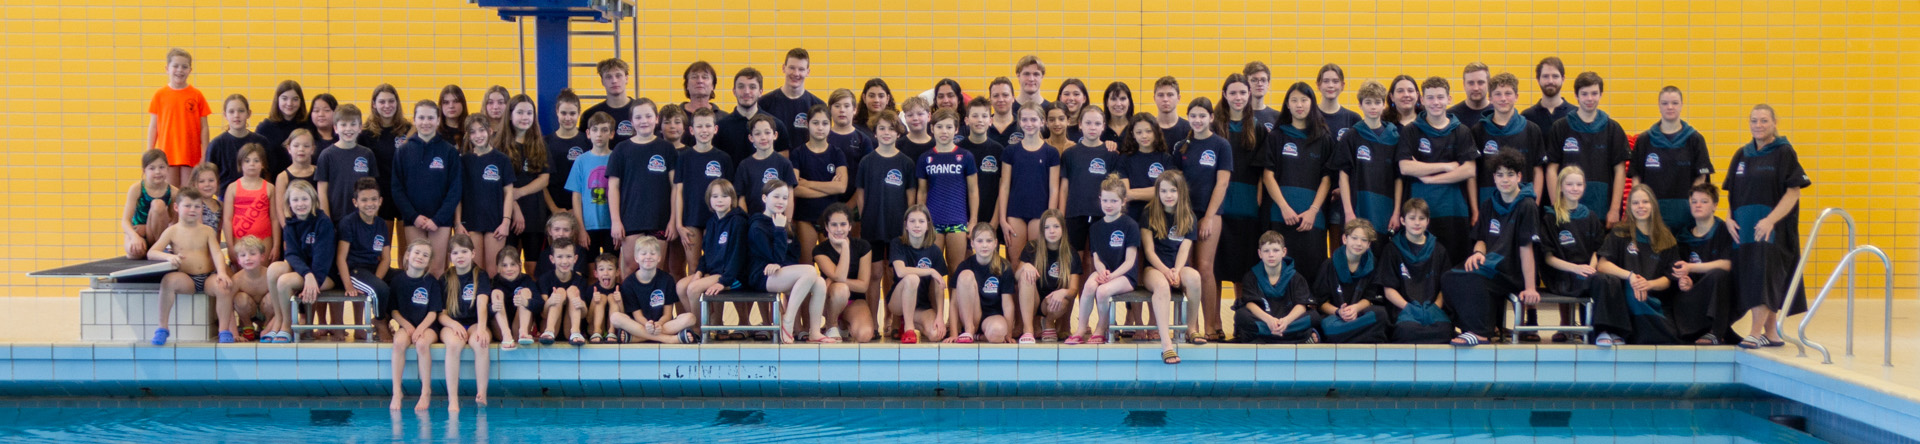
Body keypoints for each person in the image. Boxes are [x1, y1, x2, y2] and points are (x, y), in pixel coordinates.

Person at [1726, 104, 1809, 349]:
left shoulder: (1784, 152)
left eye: (1764, 121)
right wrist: (1729, 219)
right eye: (1754, 121)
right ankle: (1771, 333)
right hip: (1744, 230)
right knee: (1755, 277)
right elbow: (1732, 192)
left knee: (1762, 279)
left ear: (1774, 123)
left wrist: (1771, 219)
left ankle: (1753, 333)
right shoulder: (1742, 154)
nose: (1758, 125)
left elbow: (1793, 192)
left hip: (1771, 231)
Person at [1438, 148, 1540, 346]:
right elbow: (1481, 238)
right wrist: (1478, 253)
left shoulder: (1527, 205)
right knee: (1449, 278)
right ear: (1494, 177)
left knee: (1474, 279)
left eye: (1510, 175)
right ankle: (1477, 326)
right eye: (1500, 175)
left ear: (1519, 176)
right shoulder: (1488, 204)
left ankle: (1480, 332)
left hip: (1514, 272)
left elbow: (1526, 248)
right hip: (1492, 267)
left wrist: (1530, 287)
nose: (1505, 180)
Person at [1397, 77, 1479, 268]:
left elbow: (1469, 170)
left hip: (1454, 210)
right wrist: (1446, 166)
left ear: (1449, 99)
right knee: (1423, 265)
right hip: (1420, 212)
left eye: (1440, 97)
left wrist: (1428, 179)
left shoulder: (1461, 131)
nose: (1436, 102)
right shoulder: (1411, 131)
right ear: (1422, 100)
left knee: (1455, 265)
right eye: (1430, 97)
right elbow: (1405, 167)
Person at [1586, 185, 1683, 346]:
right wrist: (1631, 277)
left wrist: (1648, 284)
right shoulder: (1620, 233)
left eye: (1645, 202)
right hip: (1624, 296)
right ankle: (1622, 331)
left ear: (1653, 205)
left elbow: (1668, 278)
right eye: (1636, 203)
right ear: (1630, 207)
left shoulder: (1667, 238)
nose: (1641, 207)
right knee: (1630, 290)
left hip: (1653, 297)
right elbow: (1602, 265)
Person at [1258, 82, 1335, 281]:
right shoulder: (1276, 136)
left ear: (1312, 104)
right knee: (1279, 270)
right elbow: (1268, 175)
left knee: (1311, 269)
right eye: (1294, 100)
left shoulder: (1324, 138)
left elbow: (1327, 178)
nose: (1299, 105)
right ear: (1287, 105)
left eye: (1304, 100)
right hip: (1280, 215)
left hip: (1312, 218)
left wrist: (1313, 211)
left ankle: (1311, 311)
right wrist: (1283, 207)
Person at [1173, 98, 1232, 343]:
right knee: (1187, 269)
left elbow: (1222, 182)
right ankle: (1191, 326)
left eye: (1202, 116)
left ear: (1211, 117)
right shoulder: (1181, 147)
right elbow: (1173, 184)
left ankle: (1210, 325)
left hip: (1210, 214)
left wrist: (1208, 216)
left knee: (1205, 268)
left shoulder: (1220, 145)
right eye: (1193, 116)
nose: (1197, 121)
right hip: (1184, 215)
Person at [745, 180, 831, 343]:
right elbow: (773, 257)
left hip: (779, 272)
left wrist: (780, 263)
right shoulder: (757, 226)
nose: (780, 201)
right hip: (762, 276)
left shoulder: (785, 224)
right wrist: (778, 231)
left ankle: (814, 332)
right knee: (810, 270)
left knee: (819, 282)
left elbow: (792, 254)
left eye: (784, 198)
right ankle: (788, 320)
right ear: (764, 198)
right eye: (776, 196)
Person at [145, 189, 231, 345]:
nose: (193, 210)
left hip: (207, 278)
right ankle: (162, 327)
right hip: (187, 279)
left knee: (223, 286)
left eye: (197, 206)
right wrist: (169, 256)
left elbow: (217, 253)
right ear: (177, 208)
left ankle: (224, 330)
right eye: (188, 206)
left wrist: (221, 273)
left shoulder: (207, 231)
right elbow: (152, 252)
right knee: (168, 281)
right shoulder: (172, 231)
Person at [851, 110, 917, 311]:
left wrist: (907, 224)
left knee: (895, 272)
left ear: (898, 133)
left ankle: (893, 320)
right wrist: (865, 219)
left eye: (891, 128)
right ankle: (873, 321)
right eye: (882, 128)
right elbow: (860, 194)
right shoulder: (867, 162)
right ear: (875, 132)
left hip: (897, 226)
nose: (886, 132)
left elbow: (911, 197)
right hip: (873, 226)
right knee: (875, 273)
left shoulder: (906, 162)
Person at [1545, 72, 1630, 226]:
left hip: (1603, 210)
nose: (1589, 99)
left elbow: (1620, 171)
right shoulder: (1561, 127)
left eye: (1594, 93)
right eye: (1584, 94)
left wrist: (1615, 209)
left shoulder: (1613, 129)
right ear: (1576, 95)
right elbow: (1551, 170)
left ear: (1601, 94)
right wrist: (1556, 206)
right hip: (1568, 210)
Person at [1067, 174, 1141, 345]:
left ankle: (1101, 328)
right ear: (1100, 199)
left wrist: (1111, 276)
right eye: (1105, 200)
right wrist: (1101, 271)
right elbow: (1096, 257)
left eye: (1114, 201)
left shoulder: (1130, 225)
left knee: (1102, 291)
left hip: (1125, 276)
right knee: (1089, 285)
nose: (1108, 205)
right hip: (1105, 272)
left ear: (1123, 202)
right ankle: (1081, 328)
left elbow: (1130, 262)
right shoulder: (1095, 227)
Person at [1632, 86, 1714, 235]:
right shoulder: (1645, 140)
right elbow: (1636, 176)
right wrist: (1639, 205)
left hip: (1684, 212)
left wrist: (1692, 202)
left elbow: (1701, 176)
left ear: (1682, 105)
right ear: (1659, 106)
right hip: (1652, 212)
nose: (1670, 107)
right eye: (1665, 103)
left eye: (1675, 103)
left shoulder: (1694, 139)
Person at [677, 180, 752, 340]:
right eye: (715, 196)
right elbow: (707, 254)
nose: (719, 200)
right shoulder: (711, 222)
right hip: (715, 272)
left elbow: (738, 256)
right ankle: (708, 321)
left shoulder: (738, 222)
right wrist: (698, 272)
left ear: (732, 199)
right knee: (681, 286)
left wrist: (724, 281)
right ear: (709, 200)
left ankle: (698, 330)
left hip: (734, 276)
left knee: (693, 289)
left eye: (724, 196)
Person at [1538, 166, 1606, 343]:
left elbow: (1598, 250)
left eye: (1579, 184)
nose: (1574, 188)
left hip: (1585, 271)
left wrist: (1590, 268)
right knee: (1579, 278)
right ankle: (1566, 325)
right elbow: (1548, 257)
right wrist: (1575, 268)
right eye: (1569, 184)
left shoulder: (1590, 216)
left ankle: (1591, 327)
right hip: (1561, 273)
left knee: (1598, 279)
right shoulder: (1551, 217)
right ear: (1560, 186)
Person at [392, 100, 461, 276]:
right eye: (421, 117)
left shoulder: (449, 151)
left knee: (437, 269)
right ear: (414, 120)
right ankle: (415, 304)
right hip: (413, 220)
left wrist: (438, 219)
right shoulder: (403, 151)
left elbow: (455, 189)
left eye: (431, 118)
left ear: (438, 120)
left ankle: (437, 305)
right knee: (416, 268)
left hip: (440, 221)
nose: (426, 122)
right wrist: (413, 216)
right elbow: (397, 188)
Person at [606, 99, 674, 275]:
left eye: (648, 116)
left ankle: (655, 303)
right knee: (630, 267)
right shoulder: (621, 150)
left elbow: (675, 187)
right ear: (632, 122)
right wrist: (615, 221)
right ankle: (632, 304)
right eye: (638, 117)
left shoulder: (666, 148)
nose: (644, 121)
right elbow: (612, 187)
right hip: (631, 219)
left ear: (656, 119)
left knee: (657, 269)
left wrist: (673, 219)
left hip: (659, 219)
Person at [1141, 171, 1206, 355]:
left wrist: (1176, 271)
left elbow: (1184, 250)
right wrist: (1165, 271)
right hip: (1153, 268)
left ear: (1181, 192)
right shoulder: (1149, 213)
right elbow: (1149, 251)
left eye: (1173, 191)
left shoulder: (1189, 216)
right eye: (1164, 191)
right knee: (1162, 286)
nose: (1168, 195)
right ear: (1158, 193)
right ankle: (1166, 343)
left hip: (1176, 266)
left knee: (1194, 277)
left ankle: (1191, 329)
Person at [266, 181, 336, 343]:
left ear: (313, 200)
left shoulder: (322, 222)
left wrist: (312, 277)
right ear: (289, 203)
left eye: (304, 199)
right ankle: (278, 319)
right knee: (274, 269)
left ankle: (287, 326)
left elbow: (323, 258)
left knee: (284, 281)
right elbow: (291, 254)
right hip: (306, 271)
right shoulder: (291, 224)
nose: (300, 204)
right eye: (295, 200)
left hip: (324, 273)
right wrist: (307, 274)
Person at [1333, 81, 1401, 240]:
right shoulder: (1351, 136)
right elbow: (1343, 176)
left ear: (1384, 105)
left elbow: (1399, 178)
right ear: (1360, 105)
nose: (1373, 107)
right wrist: (1348, 211)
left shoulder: (1395, 137)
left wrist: (1397, 212)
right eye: (1368, 102)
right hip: (1359, 207)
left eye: (1377, 102)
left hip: (1386, 209)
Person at [1377, 199, 1452, 344]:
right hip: (1404, 310)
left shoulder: (1439, 250)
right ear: (1402, 221)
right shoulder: (1392, 249)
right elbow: (1388, 289)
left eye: (1421, 218)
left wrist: (1435, 307)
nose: (1417, 223)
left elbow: (1445, 287)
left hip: (1432, 309)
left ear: (1428, 221)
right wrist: (1409, 308)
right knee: (1407, 331)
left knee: (1444, 330)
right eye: (1412, 218)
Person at [1671, 183, 1736, 345]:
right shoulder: (1683, 235)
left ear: (1715, 206)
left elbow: (1726, 264)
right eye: (1694, 201)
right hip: (1696, 293)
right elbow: (1680, 268)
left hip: (1720, 292)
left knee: (1717, 275)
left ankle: (1716, 331)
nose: (1698, 205)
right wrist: (1685, 280)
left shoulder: (1723, 230)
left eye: (1704, 201)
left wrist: (1692, 267)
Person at [671, 108, 733, 276]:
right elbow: (678, 191)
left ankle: (713, 303)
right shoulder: (684, 157)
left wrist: (728, 222)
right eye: (699, 126)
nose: (704, 130)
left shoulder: (724, 158)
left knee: (717, 268)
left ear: (715, 129)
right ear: (691, 130)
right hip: (692, 219)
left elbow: (730, 195)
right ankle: (696, 303)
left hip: (717, 219)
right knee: (694, 268)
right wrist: (679, 224)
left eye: (707, 126)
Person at [997, 103, 1060, 269]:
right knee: (1016, 264)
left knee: (1036, 264)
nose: (1029, 123)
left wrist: (1050, 218)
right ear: (1019, 122)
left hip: (1039, 214)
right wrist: (1002, 219)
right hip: (1015, 213)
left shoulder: (1051, 153)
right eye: (1024, 119)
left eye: (1033, 119)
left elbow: (1054, 188)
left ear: (1042, 122)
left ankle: (1036, 296)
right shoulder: (1010, 151)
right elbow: (1004, 186)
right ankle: (1017, 296)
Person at [437, 235, 494, 411]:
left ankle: (481, 392)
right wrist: (454, 325)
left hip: (475, 322)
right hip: (451, 324)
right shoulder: (445, 279)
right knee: (453, 345)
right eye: (455, 253)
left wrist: (483, 329)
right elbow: (441, 315)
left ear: (473, 253)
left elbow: (482, 304)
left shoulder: (480, 275)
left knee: (480, 342)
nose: (460, 256)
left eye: (464, 251)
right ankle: (452, 399)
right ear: (450, 256)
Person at [917, 108, 979, 271]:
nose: (944, 131)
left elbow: (973, 190)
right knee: (932, 270)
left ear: (956, 129)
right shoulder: (925, 157)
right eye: (939, 127)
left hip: (957, 221)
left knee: (956, 269)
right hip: (933, 221)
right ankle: (935, 298)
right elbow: (922, 191)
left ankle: (953, 298)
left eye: (949, 127)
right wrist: (921, 219)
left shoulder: (965, 156)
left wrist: (972, 221)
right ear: (932, 129)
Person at [333, 179, 393, 344]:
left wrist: (377, 280)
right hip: (355, 270)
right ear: (355, 202)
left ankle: (386, 318)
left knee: (401, 279)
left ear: (380, 201)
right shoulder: (348, 223)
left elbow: (386, 258)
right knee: (380, 289)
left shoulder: (381, 224)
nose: (369, 204)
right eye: (364, 200)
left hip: (373, 269)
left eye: (374, 199)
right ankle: (379, 321)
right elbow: (341, 258)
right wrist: (348, 286)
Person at [1473, 73, 1548, 202]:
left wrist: (1535, 204)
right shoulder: (1478, 130)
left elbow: (1538, 171)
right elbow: (1473, 174)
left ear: (1516, 97)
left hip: (1523, 202)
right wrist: (1475, 210)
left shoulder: (1531, 129)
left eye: (1508, 93)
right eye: (1498, 94)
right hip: (1488, 202)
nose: (1503, 98)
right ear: (1490, 98)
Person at [456, 114, 516, 277]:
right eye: (473, 132)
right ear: (468, 135)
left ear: (490, 131)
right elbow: (457, 196)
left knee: (493, 271)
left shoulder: (502, 160)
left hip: (495, 222)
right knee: (475, 270)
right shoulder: (463, 161)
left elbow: (509, 193)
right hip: (471, 222)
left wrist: (505, 221)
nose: (478, 135)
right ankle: (477, 302)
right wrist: (457, 223)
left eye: (481, 130)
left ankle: (494, 302)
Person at [610, 236, 699, 344]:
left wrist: (659, 324)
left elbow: (667, 313)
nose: (648, 257)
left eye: (652, 253)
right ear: (636, 258)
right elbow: (637, 315)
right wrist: (647, 324)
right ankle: (669, 339)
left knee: (690, 318)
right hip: (640, 324)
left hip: (662, 325)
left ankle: (636, 338)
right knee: (615, 317)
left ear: (659, 258)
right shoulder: (629, 283)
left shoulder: (667, 280)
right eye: (643, 254)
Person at [1233, 231, 1317, 344]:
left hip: (1288, 321)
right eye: (1266, 251)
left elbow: (1301, 305)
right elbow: (1250, 303)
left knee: (1314, 316)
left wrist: (1286, 321)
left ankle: (1266, 336)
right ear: (1260, 253)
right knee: (1241, 315)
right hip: (1265, 320)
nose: (1271, 255)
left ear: (1284, 252)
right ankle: (1293, 336)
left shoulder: (1296, 277)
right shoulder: (1251, 276)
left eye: (1276, 250)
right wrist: (1269, 320)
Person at [386, 240, 440, 411]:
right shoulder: (397, 281)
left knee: (422, 344)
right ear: (407, 255)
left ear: (429, 262)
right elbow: (394, 310)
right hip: (407, 325)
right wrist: (407, 326)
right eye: (417, 253)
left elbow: (433, 312)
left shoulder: (431, 282)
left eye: (425, 255)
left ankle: (425, 391)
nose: (420, 257)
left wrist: (420, 329)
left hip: (428, 326)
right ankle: (396, 392)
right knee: (399, 343)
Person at [1314, 220, 1388, 344]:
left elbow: (1371, 298)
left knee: (1381, 314)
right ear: (1345, 239)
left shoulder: (1373, 264)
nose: (1358, 243)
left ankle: (1340, 336)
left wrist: (1355, 308)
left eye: (1364, 240)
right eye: (1354, 238)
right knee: (1325, 324)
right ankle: (1362, 336)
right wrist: (1339, 312)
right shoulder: (1329, 265)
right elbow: (1321, 303)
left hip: (1359, 315)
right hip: (1336, 317)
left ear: (1369, 244)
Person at [790, 104, 849, 258]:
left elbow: (841, 187)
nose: (820, 128)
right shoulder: (798, 153)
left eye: (824, 123)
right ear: (807, 124)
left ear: (830, 125)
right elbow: (795, 189)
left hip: (831, 217)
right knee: (806, 264)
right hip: (805, 216)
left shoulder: (837, 153)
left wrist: (807, 183)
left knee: (831, 267)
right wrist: (829, 187)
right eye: (815, 123)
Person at [503, 95, 552, 274]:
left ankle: (533, 301)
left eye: (529, 113)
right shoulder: (500, 145)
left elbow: (544, 179)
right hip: (507, 213)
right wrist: (514, 207)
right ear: (509, 115)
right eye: (520, 112)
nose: (525, 117)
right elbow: (501, 183)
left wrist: (520, 193)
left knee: (532, 267)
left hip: (534, 212)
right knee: (509, 264)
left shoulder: (540, 144)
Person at [148, 48, 211, 187]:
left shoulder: (196, 95)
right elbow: (153, 126)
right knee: (171, 194)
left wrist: (206, 153)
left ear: (190, 69)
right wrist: (150, 151)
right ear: (167, 68)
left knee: (188, 193)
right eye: (175, 66)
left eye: (184, 66)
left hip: (190, 153)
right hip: (167, 152)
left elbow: (204, 127)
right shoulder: (160, 95)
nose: (180, 70)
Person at [812, 204, 874, 343]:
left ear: (850, 226)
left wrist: (831, 279)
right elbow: (839, 277)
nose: (839, 229)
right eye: (834, 225)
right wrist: (845, 247)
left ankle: (844, 324)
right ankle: (831, 324)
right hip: (829, 300)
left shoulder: (863, 247)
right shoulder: (820, 250)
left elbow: (863, 286)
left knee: (864, 335)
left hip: (854, 301)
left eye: (843, 224)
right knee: (841, 289)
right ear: (827, 227)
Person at [1018, 210, 1080, 343]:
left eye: (1056, 226)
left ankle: (1049, 322)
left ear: (1063, 229)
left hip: (1051, 303)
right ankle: (1028, 329)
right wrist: (1025, 266)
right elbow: (1016, 276)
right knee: (1024, 276)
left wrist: (1064, 292)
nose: (1051, 231)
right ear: (1042, 231)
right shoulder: (1032, 247)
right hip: (1032, 299)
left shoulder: (1071, 253)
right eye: (1047, 227)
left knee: (1064, 300)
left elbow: (1074, 290)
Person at [890, 205, 948, 344]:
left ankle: (912, 322)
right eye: (912, 221)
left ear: (928, 226)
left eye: (921, 221)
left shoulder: (934, 251)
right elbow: (901, 271)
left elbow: (939, 286)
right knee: (911, 279)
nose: (917, 225)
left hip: (921, 306)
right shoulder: (897, 244)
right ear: (906, 225)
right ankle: (909, 329)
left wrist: (940, 316)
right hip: (897, 303)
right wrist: (931, 271)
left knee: (936, 335)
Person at [951, 222, 1016, 344]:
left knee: (998, 333)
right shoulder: (965, 266)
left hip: (992, 317)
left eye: (989, 241)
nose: (984, 245)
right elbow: (954, 303)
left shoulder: (1004, 267)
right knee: (966, 275)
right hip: (971, 316)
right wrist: (953, 334)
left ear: (995, 243)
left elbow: (1008, 304)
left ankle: (978, 337)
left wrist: (1008, 334)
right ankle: (969, 329)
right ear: (972, 243)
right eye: (980, 241)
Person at [567, 112, 616, 261]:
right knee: (589, 269)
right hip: (588, 225)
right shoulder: (581, 161)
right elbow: (576, 196)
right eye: (595, 130)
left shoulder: (616, 158)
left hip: (612, 225)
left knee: (613, 269)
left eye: (604, 130)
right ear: (588, 133)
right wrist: (580, 228)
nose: (599, 134)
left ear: (612, 133)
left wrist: (618, 224)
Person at [759, 48, 826, 151]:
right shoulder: (764, 103)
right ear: (783, 68)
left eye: (801, 69)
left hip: (805, 165)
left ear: (808, 72)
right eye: (792, 68)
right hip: (774, 165)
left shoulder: (818, 106)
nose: (796, 73)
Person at [316, 103, 374, 220]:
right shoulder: (326, 155)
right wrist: (327, 221)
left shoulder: (367, 154)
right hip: (336, 218)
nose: (348, 129)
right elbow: (322, 192)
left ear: (360, 127)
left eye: (353, 124)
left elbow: (372, 189)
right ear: (335, 128)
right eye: (343, 125)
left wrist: (371, 218)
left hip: (362, 218)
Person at [714, 67, 785, 161]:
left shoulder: (776, 125)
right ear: (734, 91)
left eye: (752, 87)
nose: (746, 92)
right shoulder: (721, 127)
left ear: (760, 92)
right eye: (741, 86)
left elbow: (782, 166)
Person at [734, 114, 798, 218]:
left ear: (775, 135)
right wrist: (746, 223)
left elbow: (790, 195)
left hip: (778, 222)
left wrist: (787, 222)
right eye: (758, 134)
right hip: (753, 222)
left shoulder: (784, 163)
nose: (763, 137)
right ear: (751, 138)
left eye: (767, 133)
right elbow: (741, 198)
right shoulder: (744, 165)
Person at [224, 144, 279, 262]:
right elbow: (227, 219)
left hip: (265, 239)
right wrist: (230, 246)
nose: (252, 164)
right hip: (239, 239)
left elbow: (274, 219)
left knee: (264, 273)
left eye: (256, 160)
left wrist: (276, 245)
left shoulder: (270, 188)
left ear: (263, 164)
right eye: (247, 161)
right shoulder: (232, 188)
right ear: (240, 164)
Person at [207, 94, 272, 193]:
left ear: (249, 113)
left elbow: (269, 172)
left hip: (257, 195)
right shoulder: (216, 144)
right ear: (225, 115)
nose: (236, 115)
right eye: (231, 111)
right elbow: (208, 175)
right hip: (226, 197)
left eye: (241, 111)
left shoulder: (261, 142)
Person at [960, 97, 1005, 229]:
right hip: (963, 219)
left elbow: (1002, 188)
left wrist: (994, 222)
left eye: (984, 116)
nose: (980, 120)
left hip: (990, 217)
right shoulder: (959, 150)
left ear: (990, 121)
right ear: (967, 120)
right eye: (975, 116)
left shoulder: (998, 150)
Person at [123, 150, 178, 260]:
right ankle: (147, 250)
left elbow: (173, 221)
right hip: (139, 234)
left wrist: (147, 228)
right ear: (144, 171)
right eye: (152, 168)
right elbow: (125, 221)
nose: (157, 172)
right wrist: (134, 237)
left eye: (161, 167)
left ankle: (156, 249)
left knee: (158, 204)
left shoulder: (173, 192)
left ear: (168, 169)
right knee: (134, 252)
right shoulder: (136, 189)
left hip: (158, 235)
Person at [534, 237, 587, 346]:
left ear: (575, 258)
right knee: (560, 291)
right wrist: (550, 301)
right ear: (552, 259)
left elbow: (584, 315)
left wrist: (582, 305)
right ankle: (549, 330)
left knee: (572, 290)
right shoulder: (544, 279)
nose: (564, 261)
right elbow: (543, 314)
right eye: (560, 257)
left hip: (570, 330)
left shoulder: (580, 280)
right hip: (549, 329)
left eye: (568, 257)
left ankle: (576, 332)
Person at [255, 80, 312, 180]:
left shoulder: (308, 126)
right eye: (284, 98)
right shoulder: (264, 128)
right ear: (277, 100)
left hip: (303, 183)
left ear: (301, 101)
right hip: (273, 183)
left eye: (295, 99)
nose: (289, 103)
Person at [545, 89, 587, 218]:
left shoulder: (588, 142)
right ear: (557, 112)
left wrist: (578, 209)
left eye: (572, 113)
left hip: (582, 209)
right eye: (563, 113)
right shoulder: (545, 143)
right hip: (554, 210)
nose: (568, 118)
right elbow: (541, 182)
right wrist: (554, 209)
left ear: (579, 113)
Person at [826, 88, 877, 190]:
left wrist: (851, 205)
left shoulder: (863, 140)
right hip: (825, 197)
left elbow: (867, 177)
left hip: (854, 200)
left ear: (854, 110)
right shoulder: (823, 137)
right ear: (830, 110)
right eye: (837, 106)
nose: (842, 110)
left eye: (846, 106)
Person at [227, 237, 275, 342]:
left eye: (253, 254)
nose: (248, 258)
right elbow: (227, 307)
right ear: (239, 260)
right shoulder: (236, 279)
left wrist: (270, 327)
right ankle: (248, 327)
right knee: (240, 298)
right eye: (243, 255)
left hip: (267, 312)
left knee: (273, 298)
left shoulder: (270, 275)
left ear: (262, 257)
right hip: (248, 312)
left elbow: (283, 305)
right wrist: (234, 334)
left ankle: (266, 327)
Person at [273, 129, 318, 224]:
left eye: (306, 146)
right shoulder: (283, 177)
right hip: (293, 226)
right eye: (296, 146)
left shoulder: (319, 172)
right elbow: (281, 209)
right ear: (289, 149)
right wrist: (288, 230)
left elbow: (323, 201)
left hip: (317, 225)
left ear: (312, 149)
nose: (301, 149)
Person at [581, 58, 634, 137]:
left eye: (618, 76)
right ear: (602, 81)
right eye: (608, 77)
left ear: (626, 78)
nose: (614, 81)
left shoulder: (641, 111)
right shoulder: (590, 115)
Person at [491, 247, 530, 349]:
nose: (509, 269)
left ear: (520, 265)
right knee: (496, 293)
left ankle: (523, 332)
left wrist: (526, 302)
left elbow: (539, 306)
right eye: (504, 265)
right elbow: (482, 310)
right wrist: (492, 308)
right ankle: (506, 334)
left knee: (525, 292)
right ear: (498, 268)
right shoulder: (493, 283)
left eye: (513, 264)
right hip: (500, 331)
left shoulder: (526, 280)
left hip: (519, 329)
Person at [1522, 57, 1577, 130]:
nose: (1550, 81)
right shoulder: (1527, 117)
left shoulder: (1576, 115)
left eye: (1555, 76)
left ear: (1563, 79)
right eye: (1545, 76)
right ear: (1538, 79)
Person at [1314, 64, 1362, 139]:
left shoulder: (1353, 119)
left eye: (1335, 81)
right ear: (1318, 85)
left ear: (1342, 85)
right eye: (1326, 81)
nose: (1330, 85)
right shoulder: (1309, 115)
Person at [584, 255, 621, 344]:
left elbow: (624, 316)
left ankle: (611, 332)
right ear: (596, 273)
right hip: (593, 330)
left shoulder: (621, 289)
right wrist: (593, 302)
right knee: (602, 297)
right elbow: (588, 320)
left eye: (610, 269)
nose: (606, 273)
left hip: (615, 330)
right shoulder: (591, 290)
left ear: (617, 272)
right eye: (601, 269)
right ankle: (597, 332)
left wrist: (620, 301)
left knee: (612, 297)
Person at [1151, 76, 1193, 146]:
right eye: (1160, 95)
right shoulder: (1149, 129)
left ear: (1178, 98)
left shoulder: (1189, 130)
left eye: (1170, 95)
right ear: (1154, 98)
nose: (1165, 99)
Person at [1448, 62, 1493, 129]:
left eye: (1480, 82)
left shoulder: (1497, 114)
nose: (1476, 88)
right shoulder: (1451, 116)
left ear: (1489, 84)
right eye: (1471, 83)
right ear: (1464, 85)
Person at [1243, 61, 1280, 131]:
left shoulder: (1277, 117)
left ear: (1268, 84)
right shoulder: (1238, 115)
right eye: (1254, 80)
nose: (1259, 84)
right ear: (1246, 84)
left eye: (1263, 80)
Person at [987, 77, 1024, 147]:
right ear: (990, 100)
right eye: (996, 96)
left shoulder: (1024, 125)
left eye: (1005, 95)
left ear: (1013, 98)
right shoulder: (983, 126)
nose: (1000, 99)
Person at [191, 163, 223, 241]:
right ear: (195, 184)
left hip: (212, 247)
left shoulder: (220, 205)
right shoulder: (195, 205)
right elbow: (198, 232)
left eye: (211, 180)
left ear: (217, 182)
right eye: (202, 181)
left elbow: (218, 232)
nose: (207, 184)